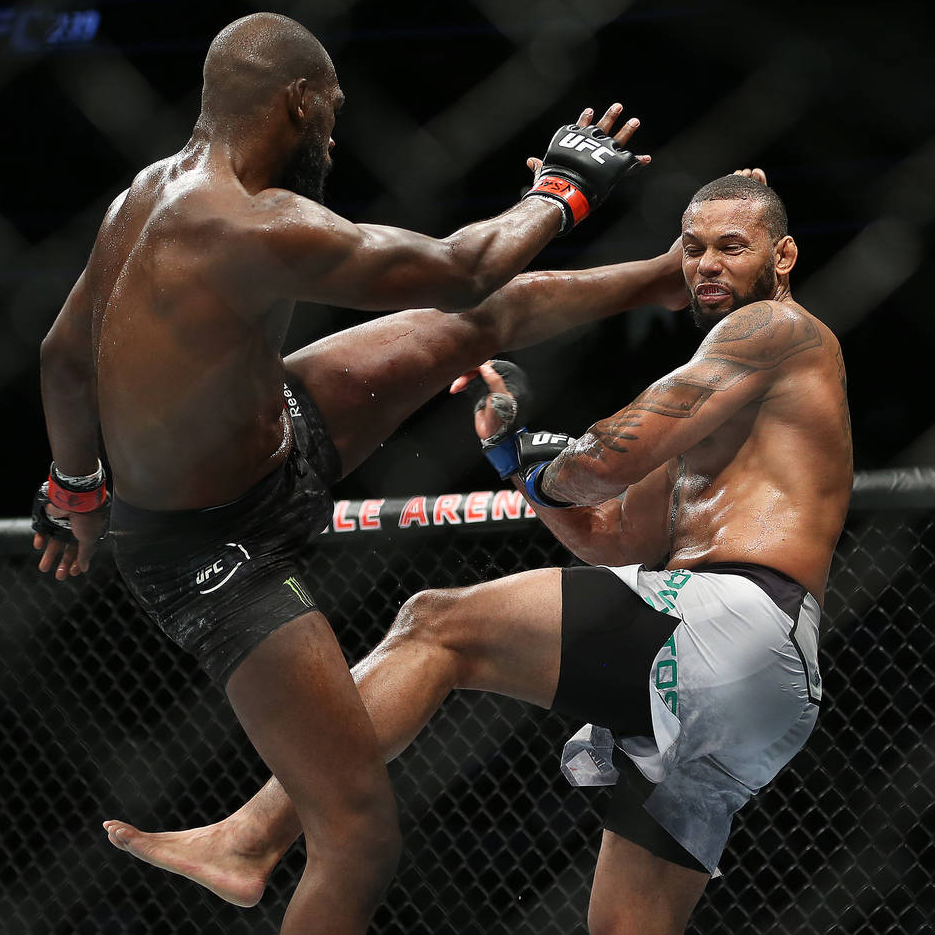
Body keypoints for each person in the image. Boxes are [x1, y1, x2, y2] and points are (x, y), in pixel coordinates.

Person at [32, 11, 686, 934]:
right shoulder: (250, 223)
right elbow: (462, 264)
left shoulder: (143, 193)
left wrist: (73, 487)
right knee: (360, 836)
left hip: (281, 427)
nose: (334, 135)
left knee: (469, 330)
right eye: (332, 112)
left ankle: (659, 279)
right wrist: (563, 190)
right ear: (298, 100)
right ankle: (251, 852)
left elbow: (62, 356)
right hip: (214, 549)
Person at [102, 172, 852, 934]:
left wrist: (559, 461)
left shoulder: (772, 332)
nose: (707, 266)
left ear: (784, 255)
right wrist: (518, 460)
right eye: (692, 249)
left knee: (437, 625)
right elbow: (613, 535)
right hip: (748, 682)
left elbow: (604, 462)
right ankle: (250, 840)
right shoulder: (734, 394)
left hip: (738, 621)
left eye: (733, 246)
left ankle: (251, 836)